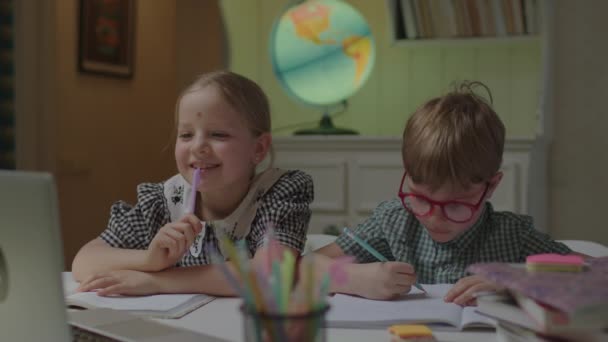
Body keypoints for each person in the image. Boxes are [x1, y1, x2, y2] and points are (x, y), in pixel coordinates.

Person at [313, 81, 572, 306]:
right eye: (421, 199)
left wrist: (518, 283)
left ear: (491, 186)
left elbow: (597, 276)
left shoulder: (512, 236)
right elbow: (299, 269)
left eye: (455, 206)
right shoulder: (392, 222)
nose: (435, 219)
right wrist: (355, 279)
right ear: (408, 176)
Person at [72, 70, 313, 296]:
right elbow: (84, 261)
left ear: (258, 148)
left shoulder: (280, 193)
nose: (198, 147)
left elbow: (269, 275)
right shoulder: (161, 203)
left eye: (218, 134)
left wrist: (159, 281)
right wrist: (149, 260)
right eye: (186, 135)